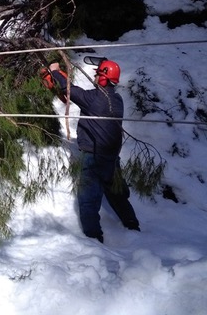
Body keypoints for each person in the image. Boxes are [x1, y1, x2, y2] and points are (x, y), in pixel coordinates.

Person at [45, 59, 140, 243]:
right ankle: (132, 224)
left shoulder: (94, 99)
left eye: (98, 74)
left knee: (88, 198)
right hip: (112, 157)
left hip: (94, 157)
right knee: (117, 195)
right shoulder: (117, 99)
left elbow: (69, 90)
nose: (95, 76)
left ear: (104, 79)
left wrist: (55, 72)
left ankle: (93, 237)